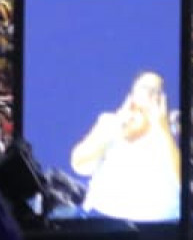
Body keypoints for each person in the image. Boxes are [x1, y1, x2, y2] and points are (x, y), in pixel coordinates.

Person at [69, 72, 181, 224]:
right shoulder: (109, 122)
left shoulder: (171, 130)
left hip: (160, 225)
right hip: (103, 220)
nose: (149, 92)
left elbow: (182, 178)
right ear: (133, 94)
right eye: (144, 87)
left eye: (156, 90)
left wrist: (164, 129)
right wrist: (116, 127)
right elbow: (79, 164)